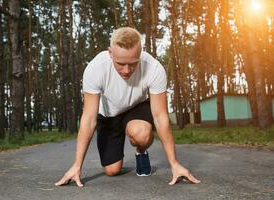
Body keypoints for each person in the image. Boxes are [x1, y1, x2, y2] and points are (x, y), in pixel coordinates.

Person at [55, 27, 200, 187]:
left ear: (140, 53)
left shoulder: (154, 68)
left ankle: (141, 150)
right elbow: (89, 119)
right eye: (120, 63)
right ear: (110, 53)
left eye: (133, 64)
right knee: (112, 170)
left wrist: (174, 163)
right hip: (109, 115)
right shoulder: (95, 69)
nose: (126, 70)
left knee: (141, 134)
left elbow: (160, 117)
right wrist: (77, 165)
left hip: (136, 108)